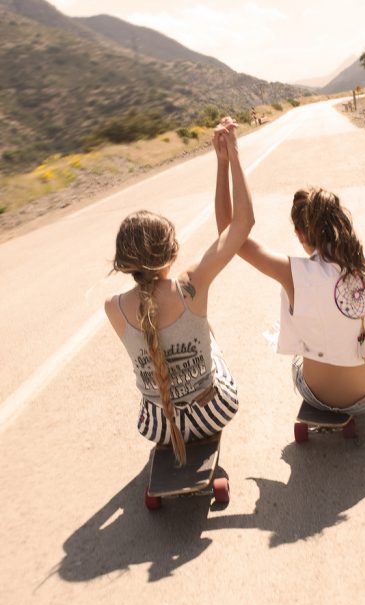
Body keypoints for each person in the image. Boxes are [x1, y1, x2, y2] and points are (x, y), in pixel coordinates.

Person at [213, 124, 365, 415]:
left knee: (306, 320)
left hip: (313, 393)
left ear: (300, 233)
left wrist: (226, 161)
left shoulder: (292, 273)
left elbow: (228, 232)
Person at [105, 121, 254, 465]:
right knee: (210, 338)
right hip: (213, 412)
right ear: (170, 253)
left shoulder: (112, 308)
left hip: (156, 424)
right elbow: (242, 224)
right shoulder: (190, 287)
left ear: (126, 263)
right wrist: (229, 159)